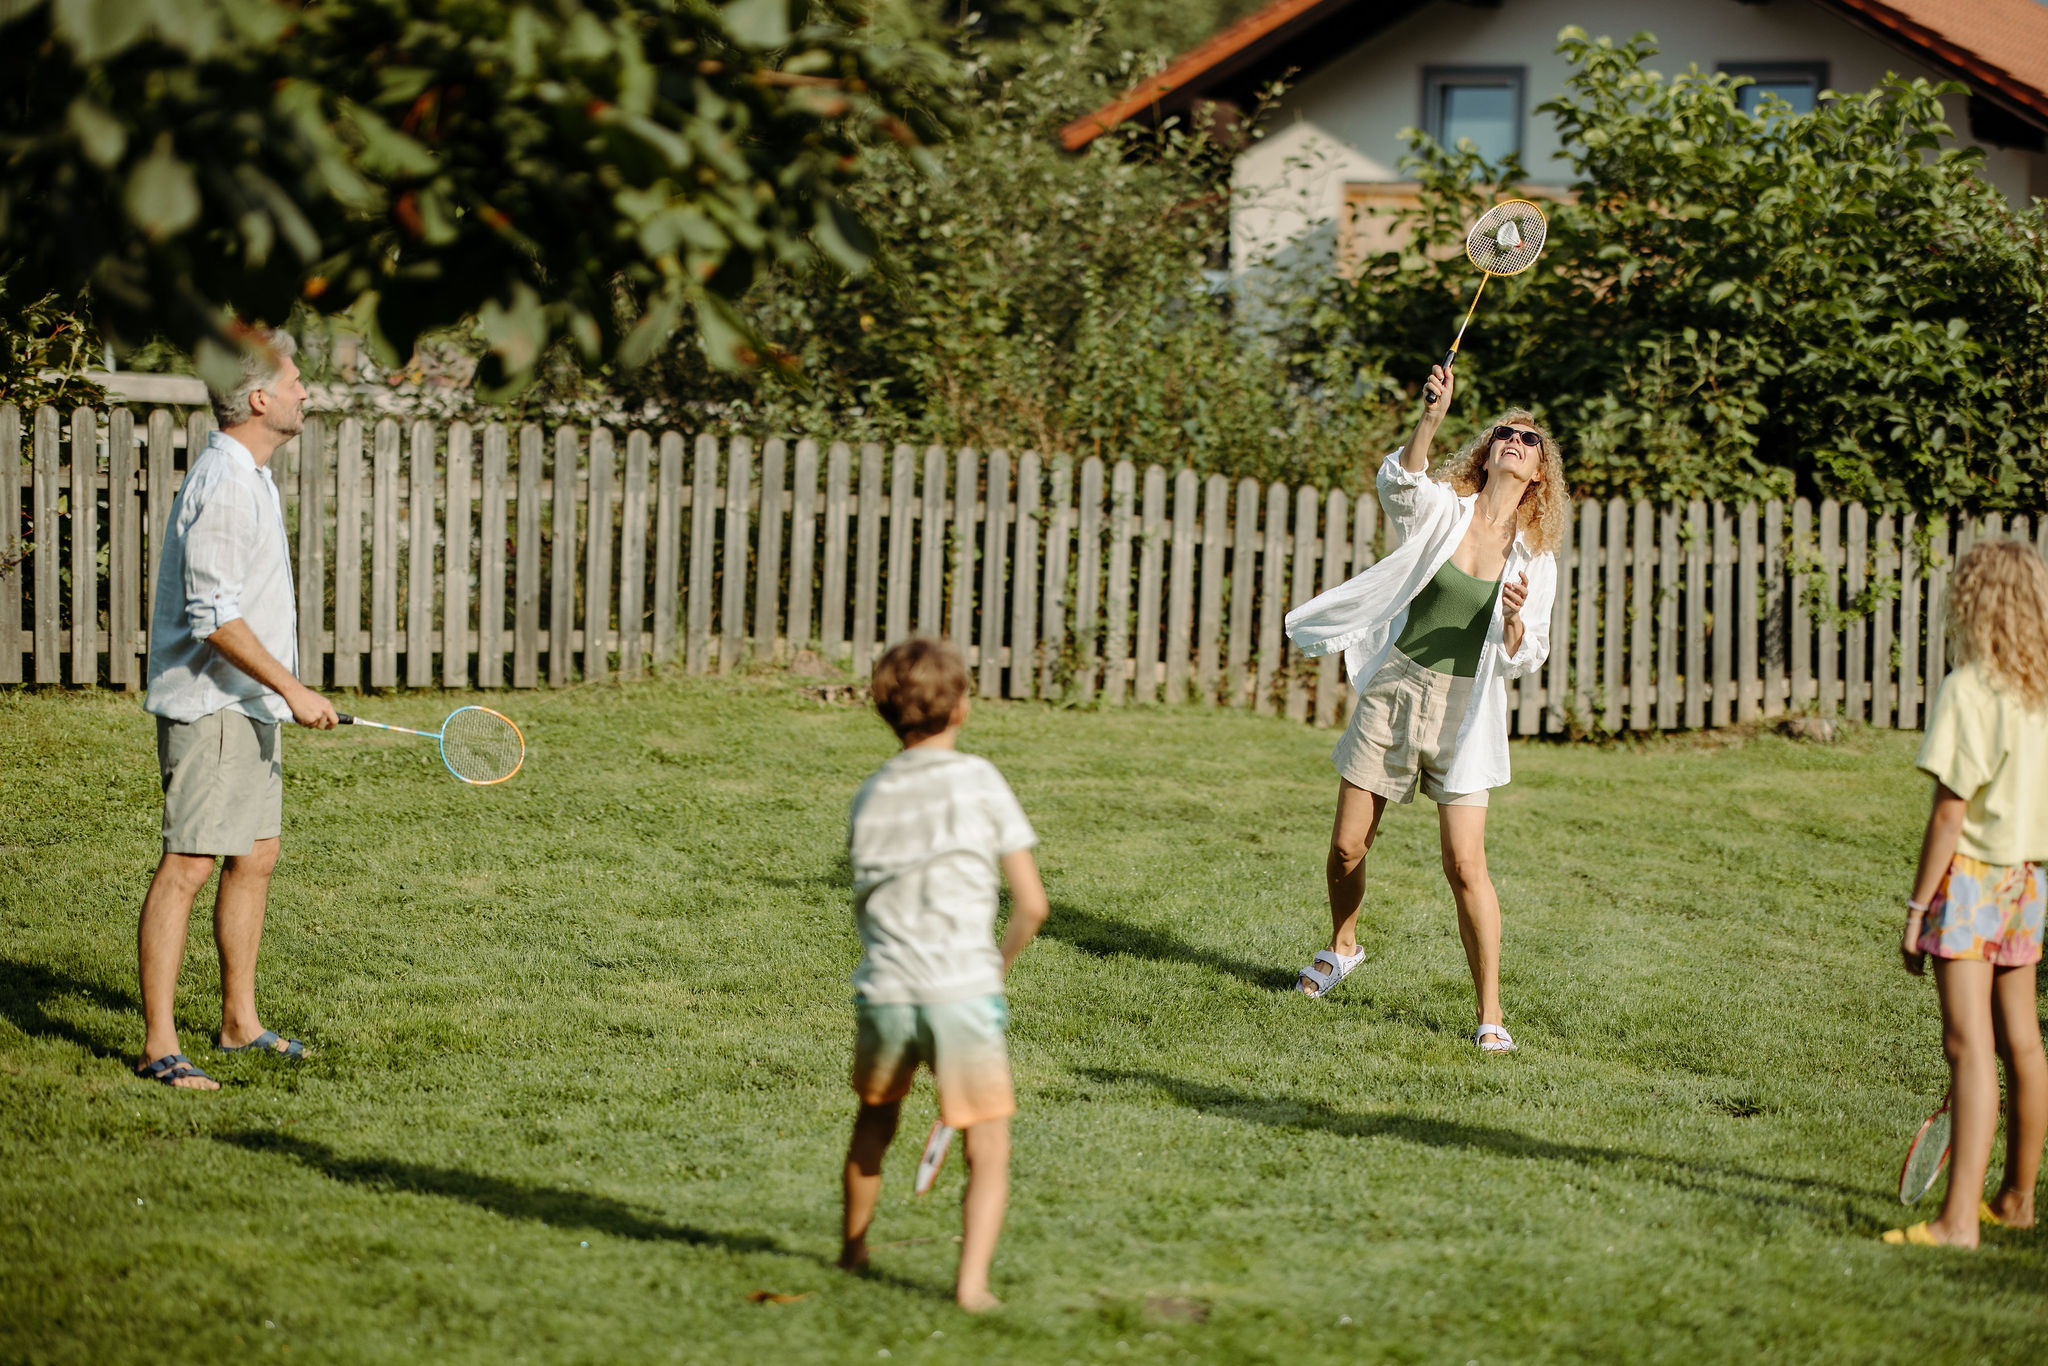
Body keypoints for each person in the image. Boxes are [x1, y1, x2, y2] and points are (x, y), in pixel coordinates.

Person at [1283, 363, 1565, 1052]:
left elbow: (1531, 655)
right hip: (1398, 685)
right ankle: (1343, 945)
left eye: (1528, 441)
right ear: (1487, 449)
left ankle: (1490, 1015)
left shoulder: (1536, 560)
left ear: (1539, 475)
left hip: (1467, 710)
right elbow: (1399, 485)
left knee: (1465, 866)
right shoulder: (1446, 507)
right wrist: (1430, 418)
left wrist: (1519, 623)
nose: (1515, 442)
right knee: (1348, 846)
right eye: (1505, 432)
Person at [134, 329, 337, 1091]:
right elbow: (212, 614)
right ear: (259, 399)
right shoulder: (223, 482)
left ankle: (238, 1024)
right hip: (212, 704)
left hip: (247, 705)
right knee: (188, 865)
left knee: (254, 857)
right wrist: (293, 687)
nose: (305, 394)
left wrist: (276, 695)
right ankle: (159, 1046)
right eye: (295, 384)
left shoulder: (251, 475)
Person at [837, 637, 1048, 1311]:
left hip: (886, 990)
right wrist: (997, 967)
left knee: (876, 1120)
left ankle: (853, 1251)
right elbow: (1033, 905)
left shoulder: (870, 795)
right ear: (961, 707)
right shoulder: (980, 780)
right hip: (962, 990)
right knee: (988, 1146)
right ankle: (970, 1287)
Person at [1885, 538, 2048, 1248]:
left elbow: (1950, 812)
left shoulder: (1972, 687)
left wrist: (1919, 909)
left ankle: (1957, 1224)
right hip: (2029, 879)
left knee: (1968, 1045)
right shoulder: (2038, 689)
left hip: (1977, 879)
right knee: (2024, 1044)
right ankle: (2016, 1200)